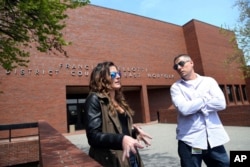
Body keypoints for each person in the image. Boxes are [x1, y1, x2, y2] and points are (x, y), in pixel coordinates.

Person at [84, 61, 152, 167]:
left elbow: (120, 129)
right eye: (113, 74)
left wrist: (134, 133)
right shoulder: (94, 99)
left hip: (131, 156)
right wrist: (121, 139)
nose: (118, 76)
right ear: (101, 78)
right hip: (112, 160)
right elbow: (93, 136)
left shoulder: (119, 100)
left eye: (119, 73)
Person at [170, 54, 230, 167]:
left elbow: (221, 103)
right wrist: (205, 98)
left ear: (191, 63)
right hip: (192, 142)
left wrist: (195, 105)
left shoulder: (209, 81)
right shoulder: (176, 87)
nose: (178, 68)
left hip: (213, 140)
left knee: (224, 164)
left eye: (181, 64)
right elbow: (185, 109)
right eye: (175, 66)